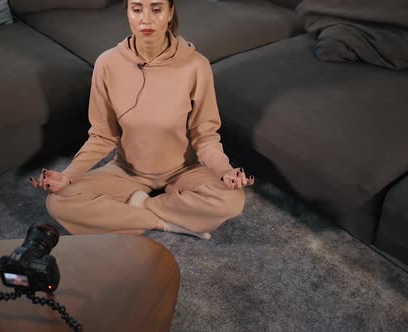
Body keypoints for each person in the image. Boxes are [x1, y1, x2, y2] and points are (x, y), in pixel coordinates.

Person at [30, 0, 254, 239]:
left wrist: (224, 171)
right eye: (137, 9)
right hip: (126, 171)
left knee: (232, 200)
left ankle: (138, 207)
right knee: (59, 202)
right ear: (128, 13)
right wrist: (68, 175)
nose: (146, 19)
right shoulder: (107, 64)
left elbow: (205, 135)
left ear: (170, 13)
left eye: (156, 9)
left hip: (183, 171)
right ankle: (171, 222)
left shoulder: (196, 65)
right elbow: (102, 135)